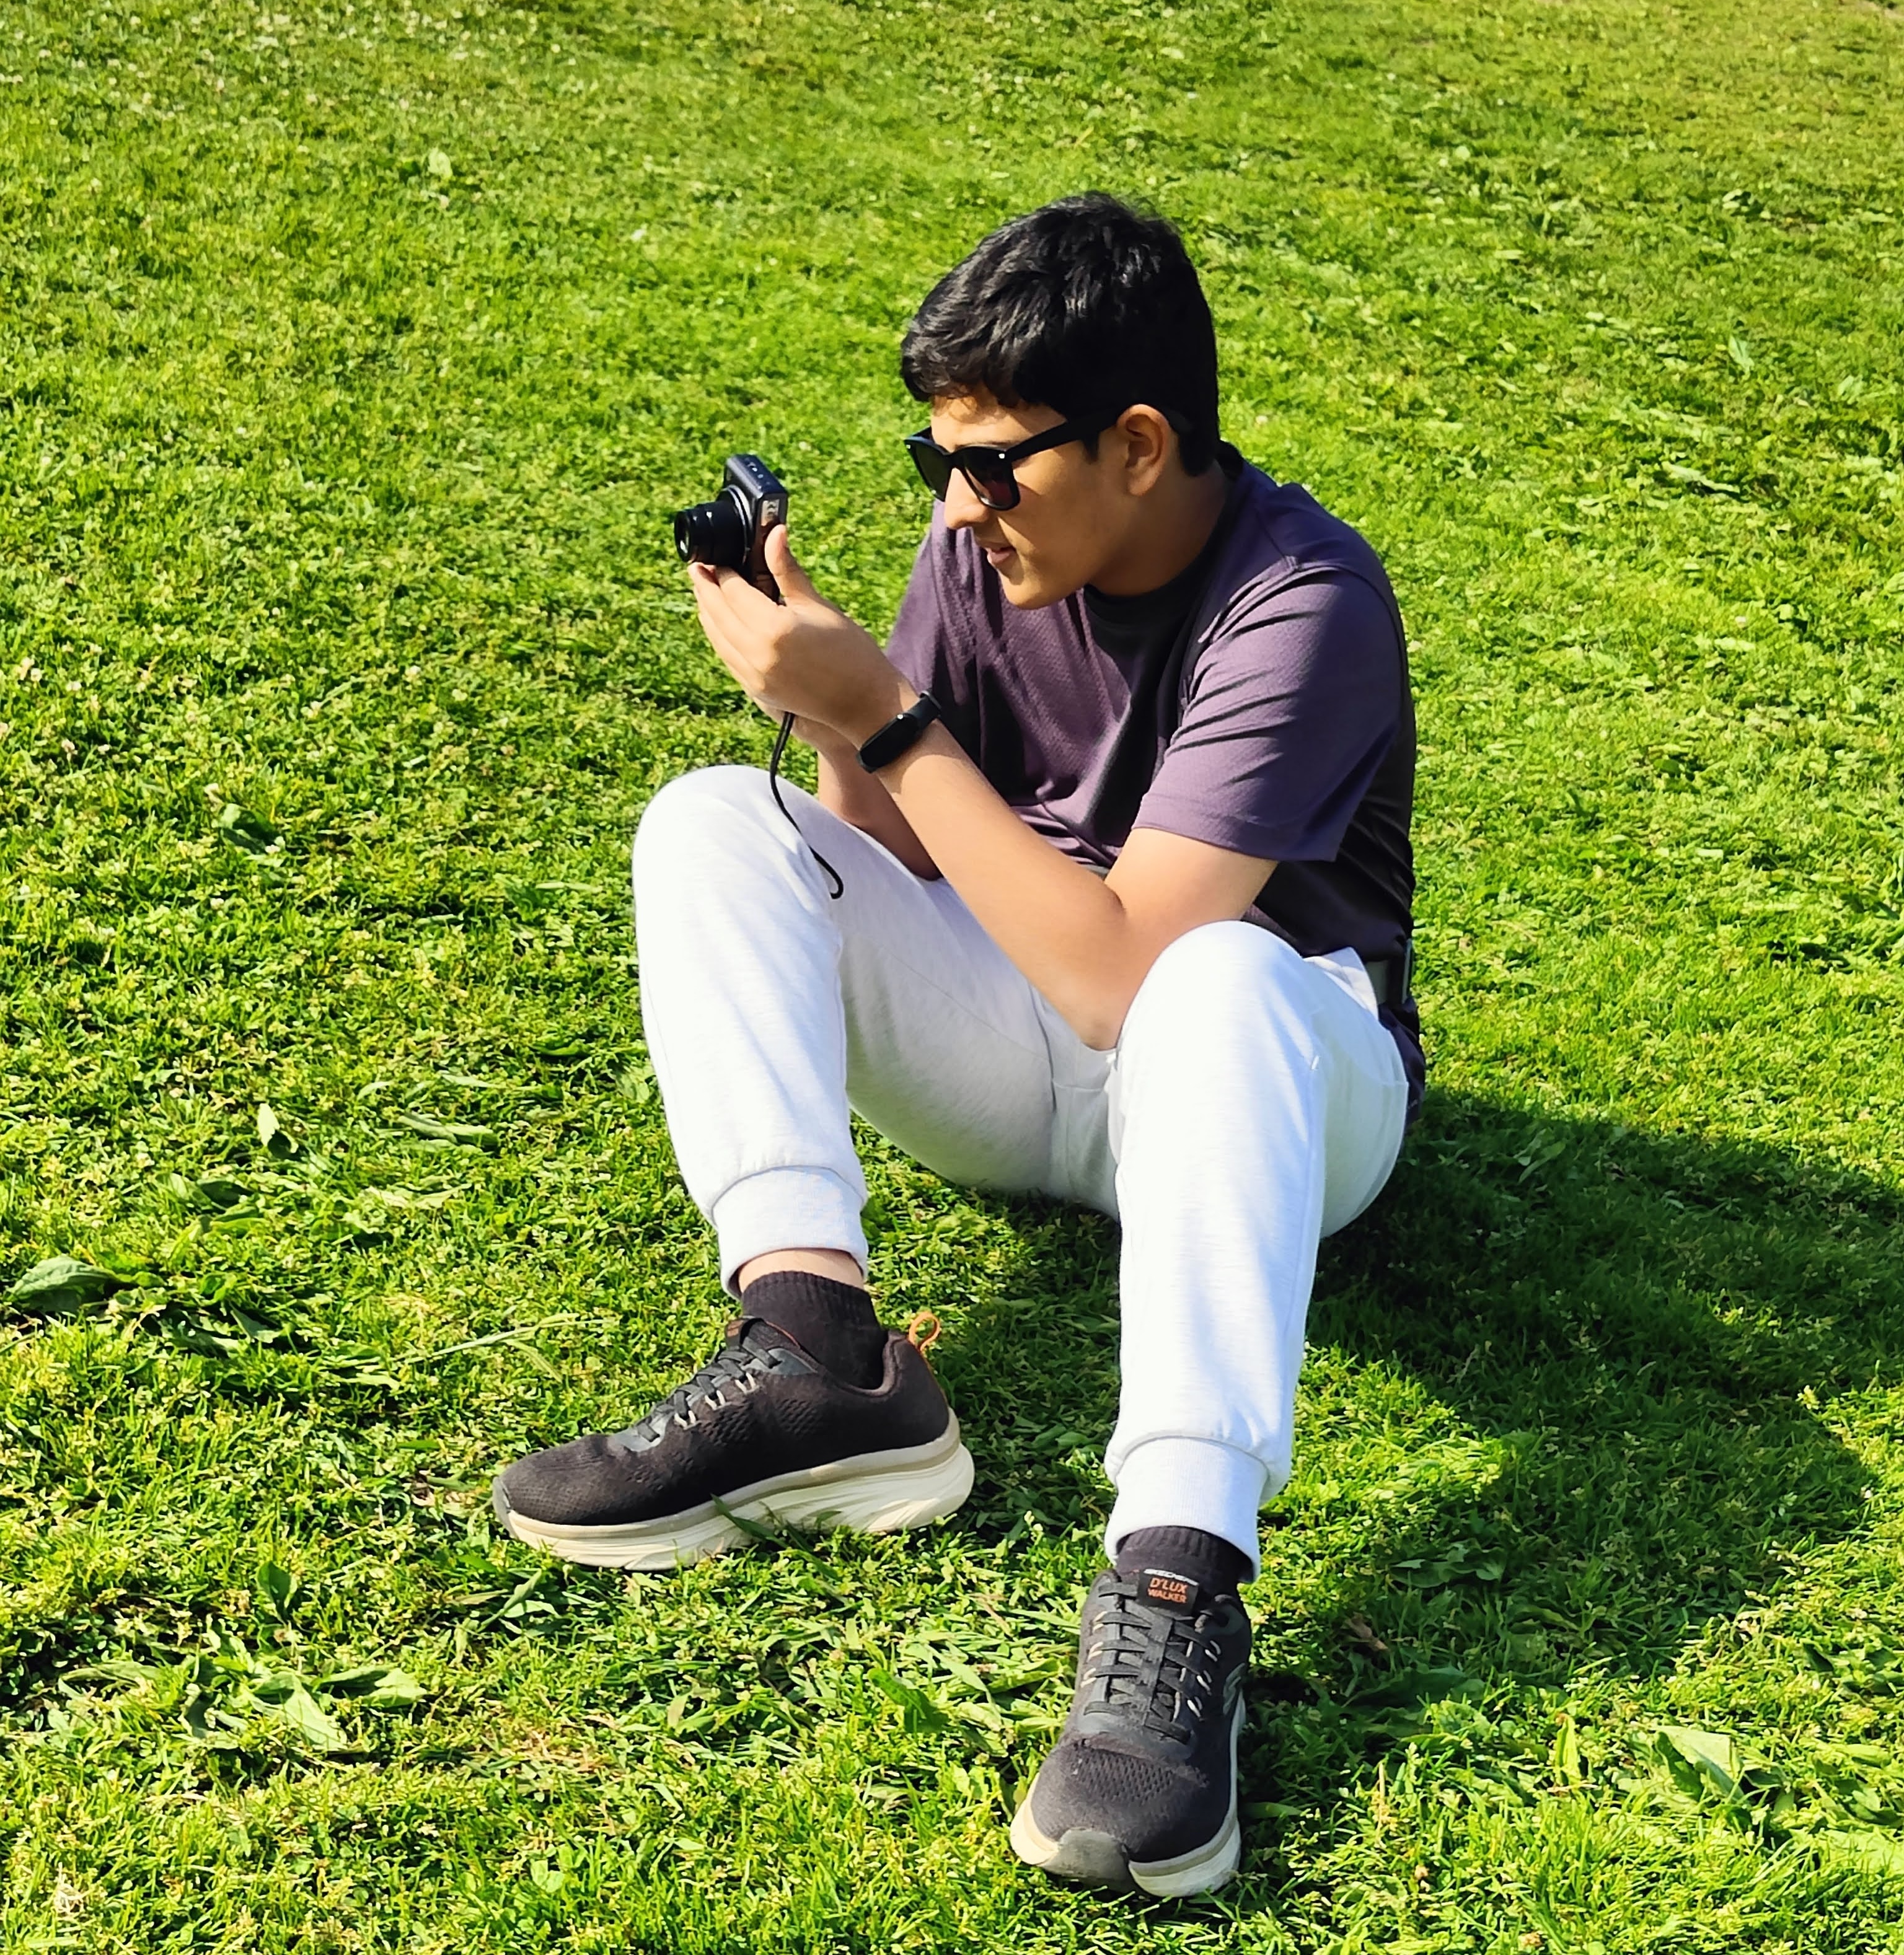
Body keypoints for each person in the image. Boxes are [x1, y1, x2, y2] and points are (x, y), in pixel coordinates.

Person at [491, 193, 1420, 1899]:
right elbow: (908, 849)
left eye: (994, 464)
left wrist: (892, 717)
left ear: (1140, 444)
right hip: (1039, 1039)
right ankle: (818, 1352)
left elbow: (1136, 975)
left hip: (1274, 1077)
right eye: (938, 457)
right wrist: (826, 706)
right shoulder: (983, 546)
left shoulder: (1306, 597)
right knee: (717, 823)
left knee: (1211, 974)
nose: (957, 501)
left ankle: (1174, 1579)